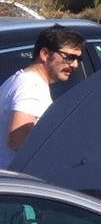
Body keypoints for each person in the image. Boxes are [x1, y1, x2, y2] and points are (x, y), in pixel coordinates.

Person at [0, 25, 87, 168]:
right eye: (69, 58)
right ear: (45, 54)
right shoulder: (32, 86)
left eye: (79, 58)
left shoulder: (22, 79)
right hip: (11, 178)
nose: (75, 64)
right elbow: (17, 140)